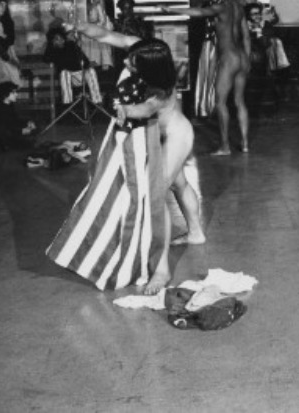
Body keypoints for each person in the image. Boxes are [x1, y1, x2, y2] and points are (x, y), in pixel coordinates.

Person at [47, 23, 205, 294]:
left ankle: (162, 269)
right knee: (177, 183)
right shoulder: (144, 50)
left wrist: (125, 110)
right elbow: (107, 35)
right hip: (154, 136)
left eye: (132, 65)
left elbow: (145, 108)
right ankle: (195, 232)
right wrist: (79, 27)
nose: (125, 63)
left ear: (148, 68)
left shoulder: (160, 88)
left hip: (175, 135)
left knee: (157, 196)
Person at [166, 0, 250, 155]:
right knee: (239, 101)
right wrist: (248, 59)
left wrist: (171, 9)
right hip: (243, 57)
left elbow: (199, 12)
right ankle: (244, 144)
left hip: (229, 57)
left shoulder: (221, 6)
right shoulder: (238, 5)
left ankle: (225, 146)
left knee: (220, 102)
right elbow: (246, 36)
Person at [43, 25, 103, 105]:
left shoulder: (71, 45)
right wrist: (51, 47)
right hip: (69, 78)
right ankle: (68, 104)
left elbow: (85, 61)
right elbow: (45, 59)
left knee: (91, 71)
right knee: (64, 73)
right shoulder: (52, 50)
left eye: (61, 38)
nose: (60, 40)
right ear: (52, 41)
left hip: (81, 74)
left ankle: (97, 101)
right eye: (56, 39)